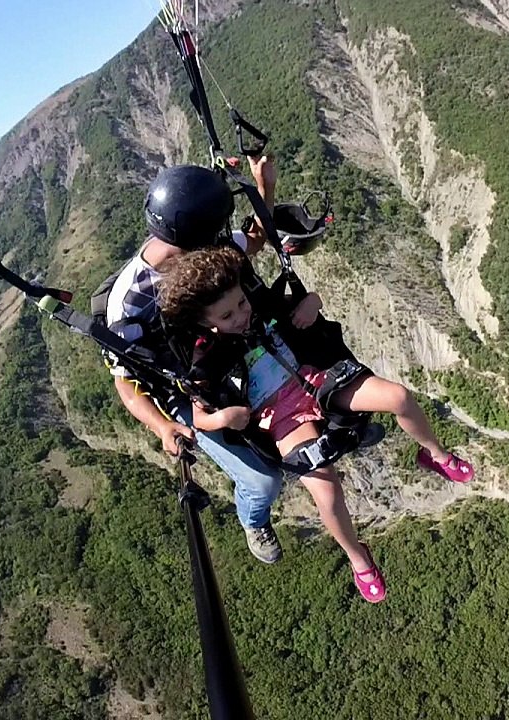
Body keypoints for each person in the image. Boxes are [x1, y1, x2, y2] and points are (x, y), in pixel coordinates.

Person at [156, 244, 474, 603]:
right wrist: (224, 418)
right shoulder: (206, 360)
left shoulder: (261, 308)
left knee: (398, 397)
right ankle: (359, 559)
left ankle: (435, 455)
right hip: (282, 418)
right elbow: (201, 416)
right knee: (325, 490)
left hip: (316, 382)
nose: (241, 316)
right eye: (227, 316)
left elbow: (307, 302)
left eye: (241, 304)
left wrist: (313, 302)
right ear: (205, 322)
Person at [103, 159, 288, 565]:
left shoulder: (202, 250)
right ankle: (253, 517)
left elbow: (253, 241)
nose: (221, 238)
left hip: (226, 354)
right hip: (182, 387)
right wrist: (165, 426)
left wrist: (264, 188)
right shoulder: (130, 303)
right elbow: (125, 380)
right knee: (263, 481)